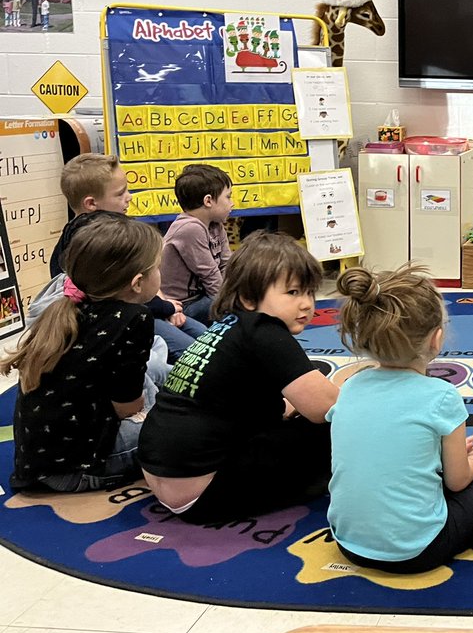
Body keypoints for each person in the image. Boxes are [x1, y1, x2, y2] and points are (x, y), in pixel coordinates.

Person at [326, 264, 473, 573]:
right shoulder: (441, 396)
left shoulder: (349, 387)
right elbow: (457, 481)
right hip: (418, 551)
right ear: (436, 339)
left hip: (348, 544)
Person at [137, 231, 337, 524]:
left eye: (309, 292)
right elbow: (326, 408)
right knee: (335, 431)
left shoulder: (228, 327)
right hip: (205, 492)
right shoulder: (266, 332)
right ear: (248, 297)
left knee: (293, 412)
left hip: (163, 472)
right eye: (293, 293)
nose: (307, 304)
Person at [2, 216, 166, 492]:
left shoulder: (68, 306)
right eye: (158, 267)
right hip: (81, 466)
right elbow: (129, 408)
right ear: (137, 282)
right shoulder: (133, 318)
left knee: (154, 366)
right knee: (186, 428)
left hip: (39, 461)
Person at [42, 153, 206, 363]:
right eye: (120, 194)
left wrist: (166, 304)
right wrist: (166, 308)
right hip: (121, 316)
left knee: (203, 336)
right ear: (91, 203)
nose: (129, 197)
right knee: (195, 355)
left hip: (146, 305)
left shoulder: (102, 229)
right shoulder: (102, 242)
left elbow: (145, 273)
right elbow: (121, 296)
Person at [159, 163, 234, 325]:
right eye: (228, 197)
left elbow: (228, 264)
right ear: (208, 201)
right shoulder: (190, 228)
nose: (232, 203)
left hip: (203, 296)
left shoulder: (215, 224)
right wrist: (230, 304)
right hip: (183, 304)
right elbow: (210, 275)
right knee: (243, 306)